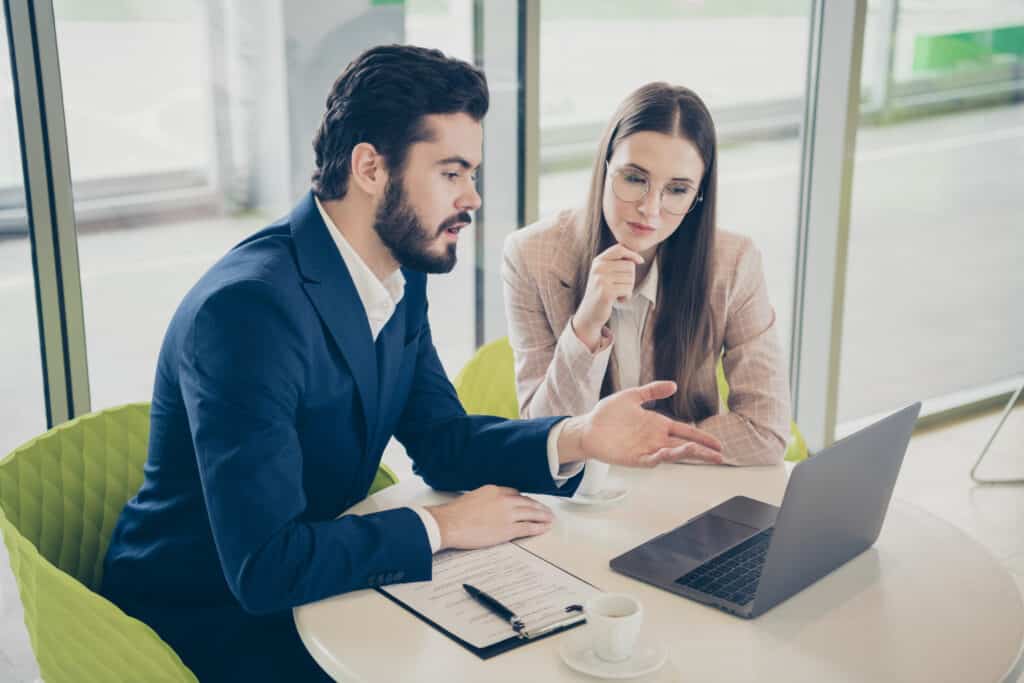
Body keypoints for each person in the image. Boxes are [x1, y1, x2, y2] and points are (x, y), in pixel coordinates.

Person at [100, 49, 723, 681]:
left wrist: (580, 435)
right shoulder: (247, 312)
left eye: (471, 173)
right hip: (211, 616)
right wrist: (442, 526)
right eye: (452, 173)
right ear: (370, 167)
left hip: (327, 575)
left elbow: (441, 440)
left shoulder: (396, 273)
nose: (472, 197)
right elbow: (265, 566)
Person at [503, 82, 791, 467]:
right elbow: (543, 438)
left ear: (698, 196)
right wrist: (586, 325)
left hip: (686, 488)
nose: (650, 209)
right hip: (581, 492)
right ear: (605, 167)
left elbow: (766, 432)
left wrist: (639, 444)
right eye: (635, 179)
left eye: (677, 189)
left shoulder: (734, 263)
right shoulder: (530, 256)